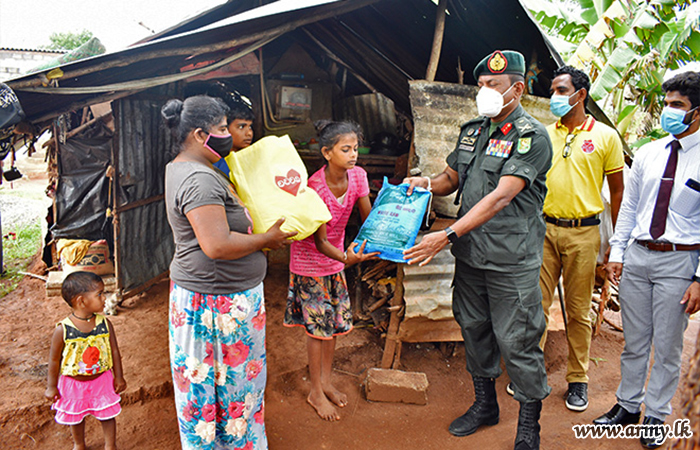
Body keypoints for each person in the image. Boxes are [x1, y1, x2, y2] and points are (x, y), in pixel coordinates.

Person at [403, 50, 552, 450]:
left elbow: (502, 196)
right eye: (481, 85)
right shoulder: (472, 129)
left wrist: (446, 235)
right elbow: (451, 177)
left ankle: (529, 425)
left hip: (511, 261)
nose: (484, 92)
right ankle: (485, 405)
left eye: (494, 86)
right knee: (474, 329)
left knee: (517, 339)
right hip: (472, 256)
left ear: (517, 89)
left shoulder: (531, 136)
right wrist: (424, 184)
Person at [162, 95, 296, 450]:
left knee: (213, 389)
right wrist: (266, 239)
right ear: (198, 133)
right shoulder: (199, 179)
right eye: (222, 129)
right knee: (227, 390)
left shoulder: (185, 166)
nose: (227, 135)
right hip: (215, 305)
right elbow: (217, 245)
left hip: (214, 296)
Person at [594, 71, 700, 449]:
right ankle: (627, 405)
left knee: (668, 345)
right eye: (667, 103)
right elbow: (630, 209)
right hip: (639, 256)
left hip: (679, 261)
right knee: (635, 341)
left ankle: (656, 413)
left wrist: (699, 279)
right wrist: (619, 253)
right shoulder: (649, 153)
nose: (669, 112)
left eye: (678, 106)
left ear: (697, 113)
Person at [535, 66, 624, 411]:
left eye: (561, 90)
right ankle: (531, 375)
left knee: (577, 310)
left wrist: (615, 243)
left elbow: (617, 193)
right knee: (535, 308)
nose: (554, 97)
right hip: (544, 231)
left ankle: (577, 380)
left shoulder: (605, 137)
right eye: (553, 90)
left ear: (580, 94)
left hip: (585, 233)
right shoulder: (544, 134)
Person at [284, 120, 377, 421]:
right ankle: (314, 390)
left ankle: (326, 383)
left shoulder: (358, 176)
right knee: (317, 330)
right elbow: (320, 241)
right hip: (311, 263)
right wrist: (348, 258)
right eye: (345, 149)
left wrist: (384, 240)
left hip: (336, 260)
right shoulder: (314, 187)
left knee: (333, 326)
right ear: (326, 152)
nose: (353, 155)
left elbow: (368, 219)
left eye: (355, 148)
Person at [45, 271, 127, 450]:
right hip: (73, 384)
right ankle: (79, 444)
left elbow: (114, 351)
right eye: (100, 294)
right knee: (76, 416)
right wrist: (51, 386)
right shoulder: (63, 330)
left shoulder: (105, 324)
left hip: (102, 380)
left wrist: (118, 376)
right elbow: (54, 360)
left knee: (107, 415)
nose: (105, 298)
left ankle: (110, 446)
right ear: (82, 301)